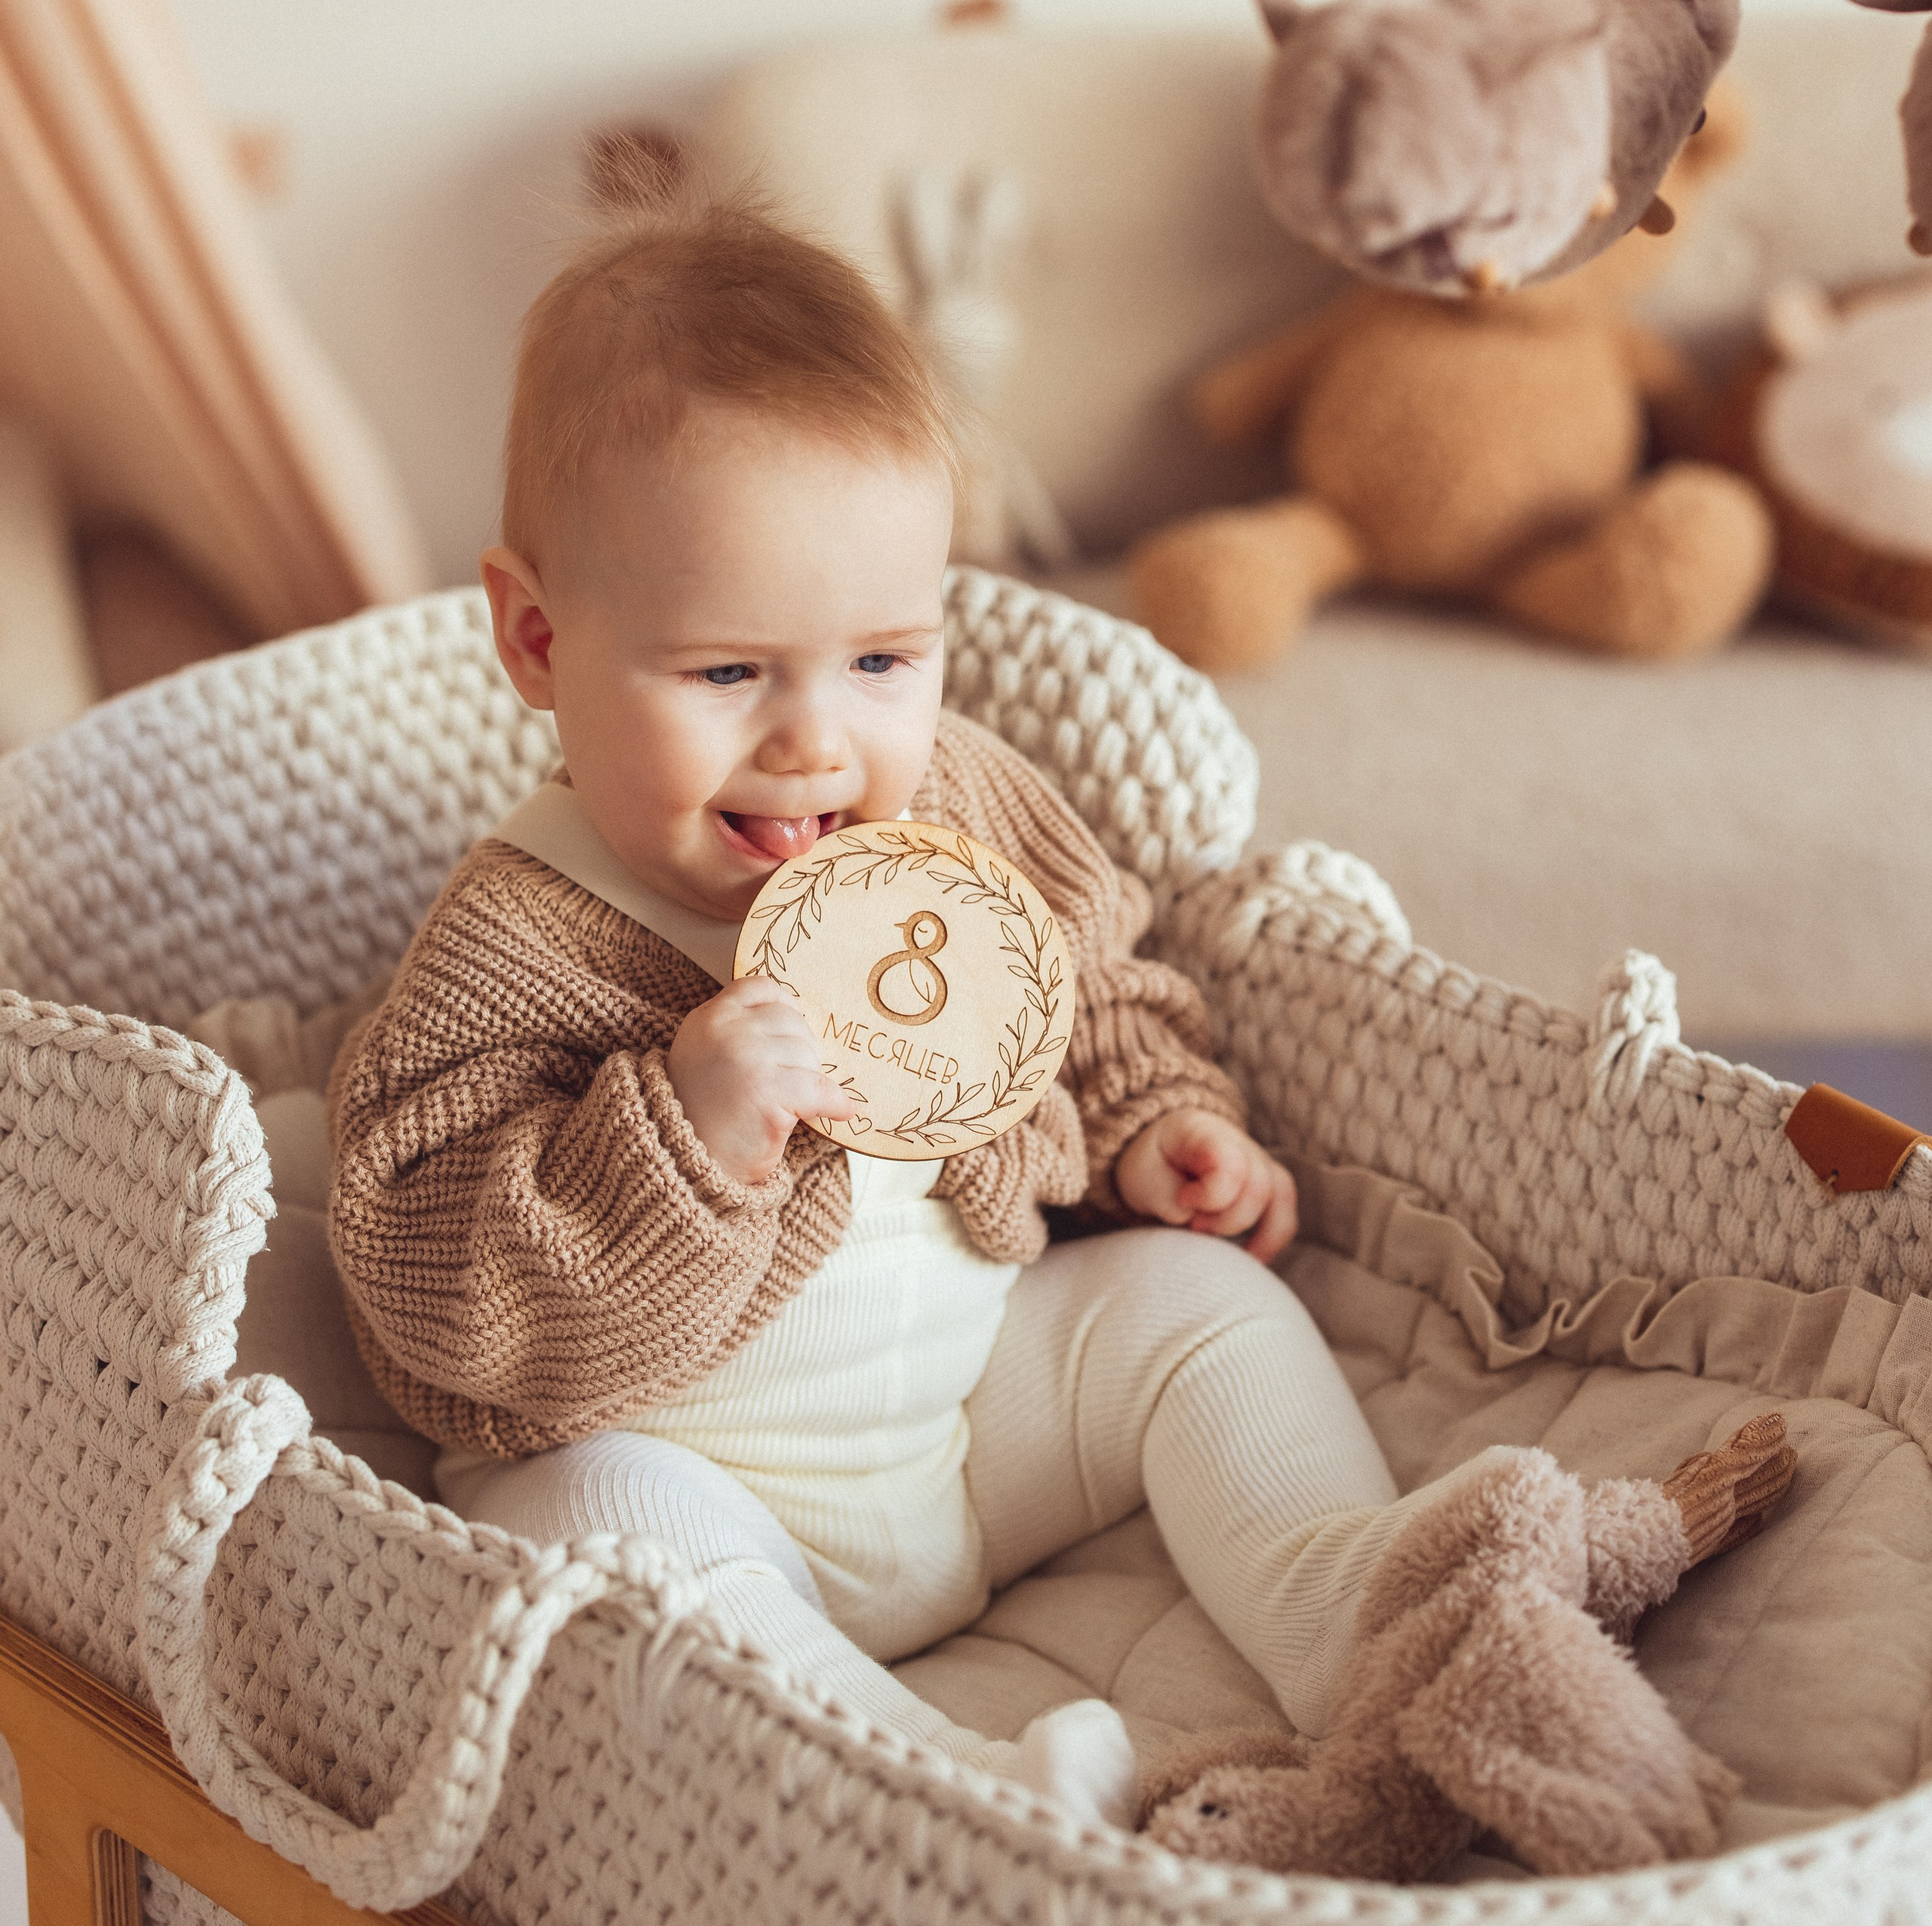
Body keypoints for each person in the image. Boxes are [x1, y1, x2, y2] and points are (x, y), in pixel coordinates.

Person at [328, 162, 1781, 1836]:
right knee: (582, 1541)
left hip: (963, 1424)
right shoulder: (520, 939)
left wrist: (1156, 1123)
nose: (816, 741)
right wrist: (679, 1132)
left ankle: (1354, 1603)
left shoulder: (953, 803)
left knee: (1182, 1307)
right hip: (712, 1480)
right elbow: (434, 1297)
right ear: (534, 637)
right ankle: (940, 1785)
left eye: (880, 658)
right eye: (726, 670)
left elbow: (1089, 987)